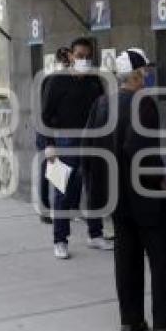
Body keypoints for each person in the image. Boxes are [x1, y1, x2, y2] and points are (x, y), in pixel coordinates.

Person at [82, 48, 166, 331]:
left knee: (126, 259)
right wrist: (161, 177)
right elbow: (140, 151)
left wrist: (97, 194)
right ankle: (165, 322)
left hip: (116, 198)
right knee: (160, 256)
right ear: (137, 75)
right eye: (146, 70)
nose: (149, 75)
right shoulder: (143, 104)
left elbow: (88, 150)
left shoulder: (101, 103)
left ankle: (130, 321)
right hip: (144, 197)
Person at [42, 37, 113, 259]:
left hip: (92, 140)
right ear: (71, 56)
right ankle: (60, 240)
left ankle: (95, 234)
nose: (84, 60)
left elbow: (103, 111)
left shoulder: (95, 81)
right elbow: (44, 115)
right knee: (64, 191)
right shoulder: (56, 81)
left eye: (88, 57)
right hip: (65, 141)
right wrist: (49, 145)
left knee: (94, 189)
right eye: (80, 56)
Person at [37, 47, 72, 224]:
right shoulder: (53, 79)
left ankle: (60, 209)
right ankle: (46, 209)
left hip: (53, 129)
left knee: (57, 172)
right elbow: (47, 109)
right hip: (48, 130)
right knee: (48, 170)